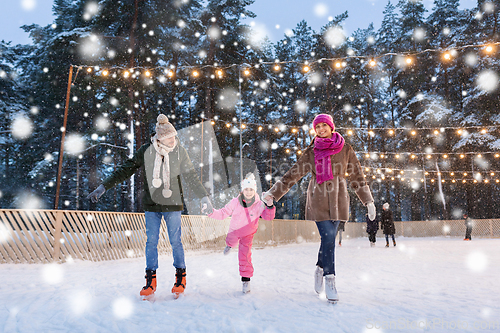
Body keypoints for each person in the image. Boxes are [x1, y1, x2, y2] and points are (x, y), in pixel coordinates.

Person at [87, 114, 213, 299]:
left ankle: (180, 277)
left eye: (174, 137)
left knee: (175, 241)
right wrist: (104, 186)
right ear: (160, 138)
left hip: (173, 205)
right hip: (151, 205)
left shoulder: (179, 151)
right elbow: (126, 169)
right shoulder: (147, 151)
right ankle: (150, 280)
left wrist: (203, 196)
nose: (173, 140)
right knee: (151, 242)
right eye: (170, 138)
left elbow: (191, 176)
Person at [263, 113, 376, 303]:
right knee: (328, 237)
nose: (321, 129)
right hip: (318, 200)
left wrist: (368, 201)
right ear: (315, 130)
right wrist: (273, 194)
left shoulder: (346, 149)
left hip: (339, 201)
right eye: (318, 127)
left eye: (324, 125)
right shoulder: (311, 152)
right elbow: (292, 175)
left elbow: (357, 176)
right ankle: (330, 280)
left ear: (331, 126)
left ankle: (320, 267)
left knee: (328, 241)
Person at [207, 173, 276, 293]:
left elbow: (268, 217)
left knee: (245, 255)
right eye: (246, 189)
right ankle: (229, 245)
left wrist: (269, 205)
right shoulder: (235, 202)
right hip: (234, 230)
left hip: (248, 234)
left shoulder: (259, 204)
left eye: (251, 189)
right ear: (242, 190)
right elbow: (223, 213)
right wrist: (211, 212)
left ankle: (246, 280)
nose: (248, 192)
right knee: (231, 241)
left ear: (254, 190)